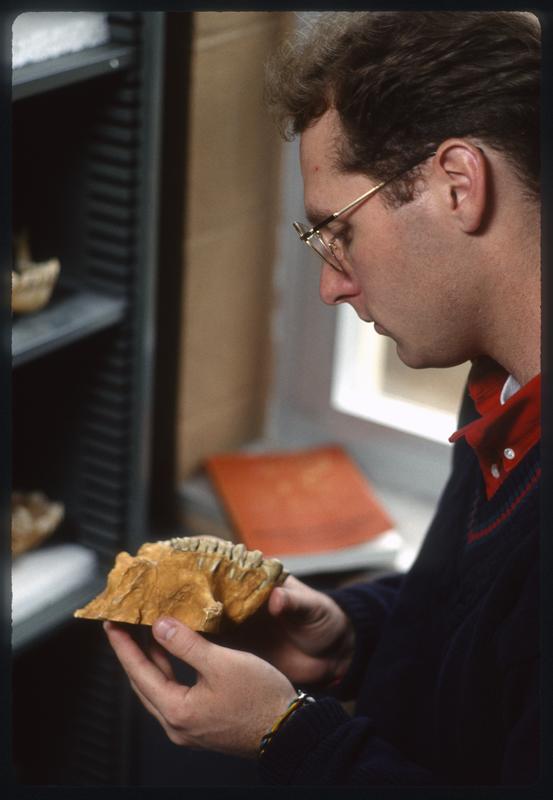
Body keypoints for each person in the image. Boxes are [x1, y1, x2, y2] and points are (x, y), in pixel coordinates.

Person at [104, 10, 541, 785]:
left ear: (457, 184)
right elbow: (487, 638)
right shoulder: (500, 393)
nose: (330, 286)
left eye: (337, 231)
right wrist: (351, 636)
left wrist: (288, 736)